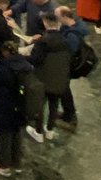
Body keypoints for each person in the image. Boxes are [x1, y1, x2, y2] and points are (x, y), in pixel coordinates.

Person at [0, 41, 31, 177]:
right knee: (17, 132)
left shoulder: (4, 69)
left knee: (5, 134)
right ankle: (16, 162)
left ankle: (3, 165)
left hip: (5, 106)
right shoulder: (26, 65)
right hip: (21, 105)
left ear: (5, 52)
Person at [28, 12, 71, 140]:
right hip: (60, 78)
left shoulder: (43, 41)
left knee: (39, 105)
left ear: (45, 22)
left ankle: (38, 132)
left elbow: (35, 59)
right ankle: (50, 129)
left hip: (43, 78)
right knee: (54, 104)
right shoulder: (65, 40)